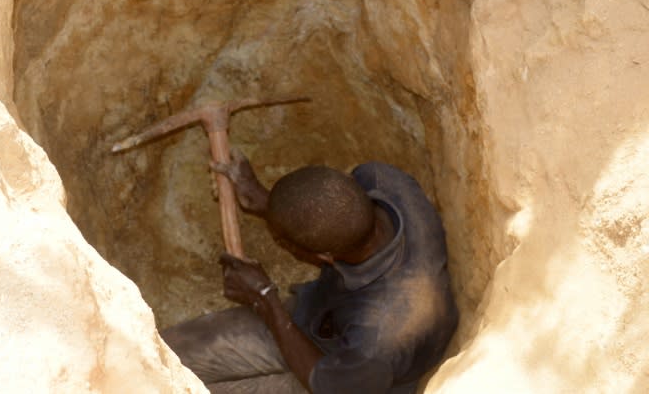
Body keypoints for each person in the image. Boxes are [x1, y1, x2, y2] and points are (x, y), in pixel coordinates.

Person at [161, 151, 458, 394]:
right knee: (162, 357)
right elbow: (332, 217)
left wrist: (266, 301)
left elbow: (332, 386)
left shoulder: (381, 334)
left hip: (352, 380)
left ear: (323, 257)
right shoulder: (380, 180)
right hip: (321, 317)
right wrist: (266, 203)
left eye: (282, 242)